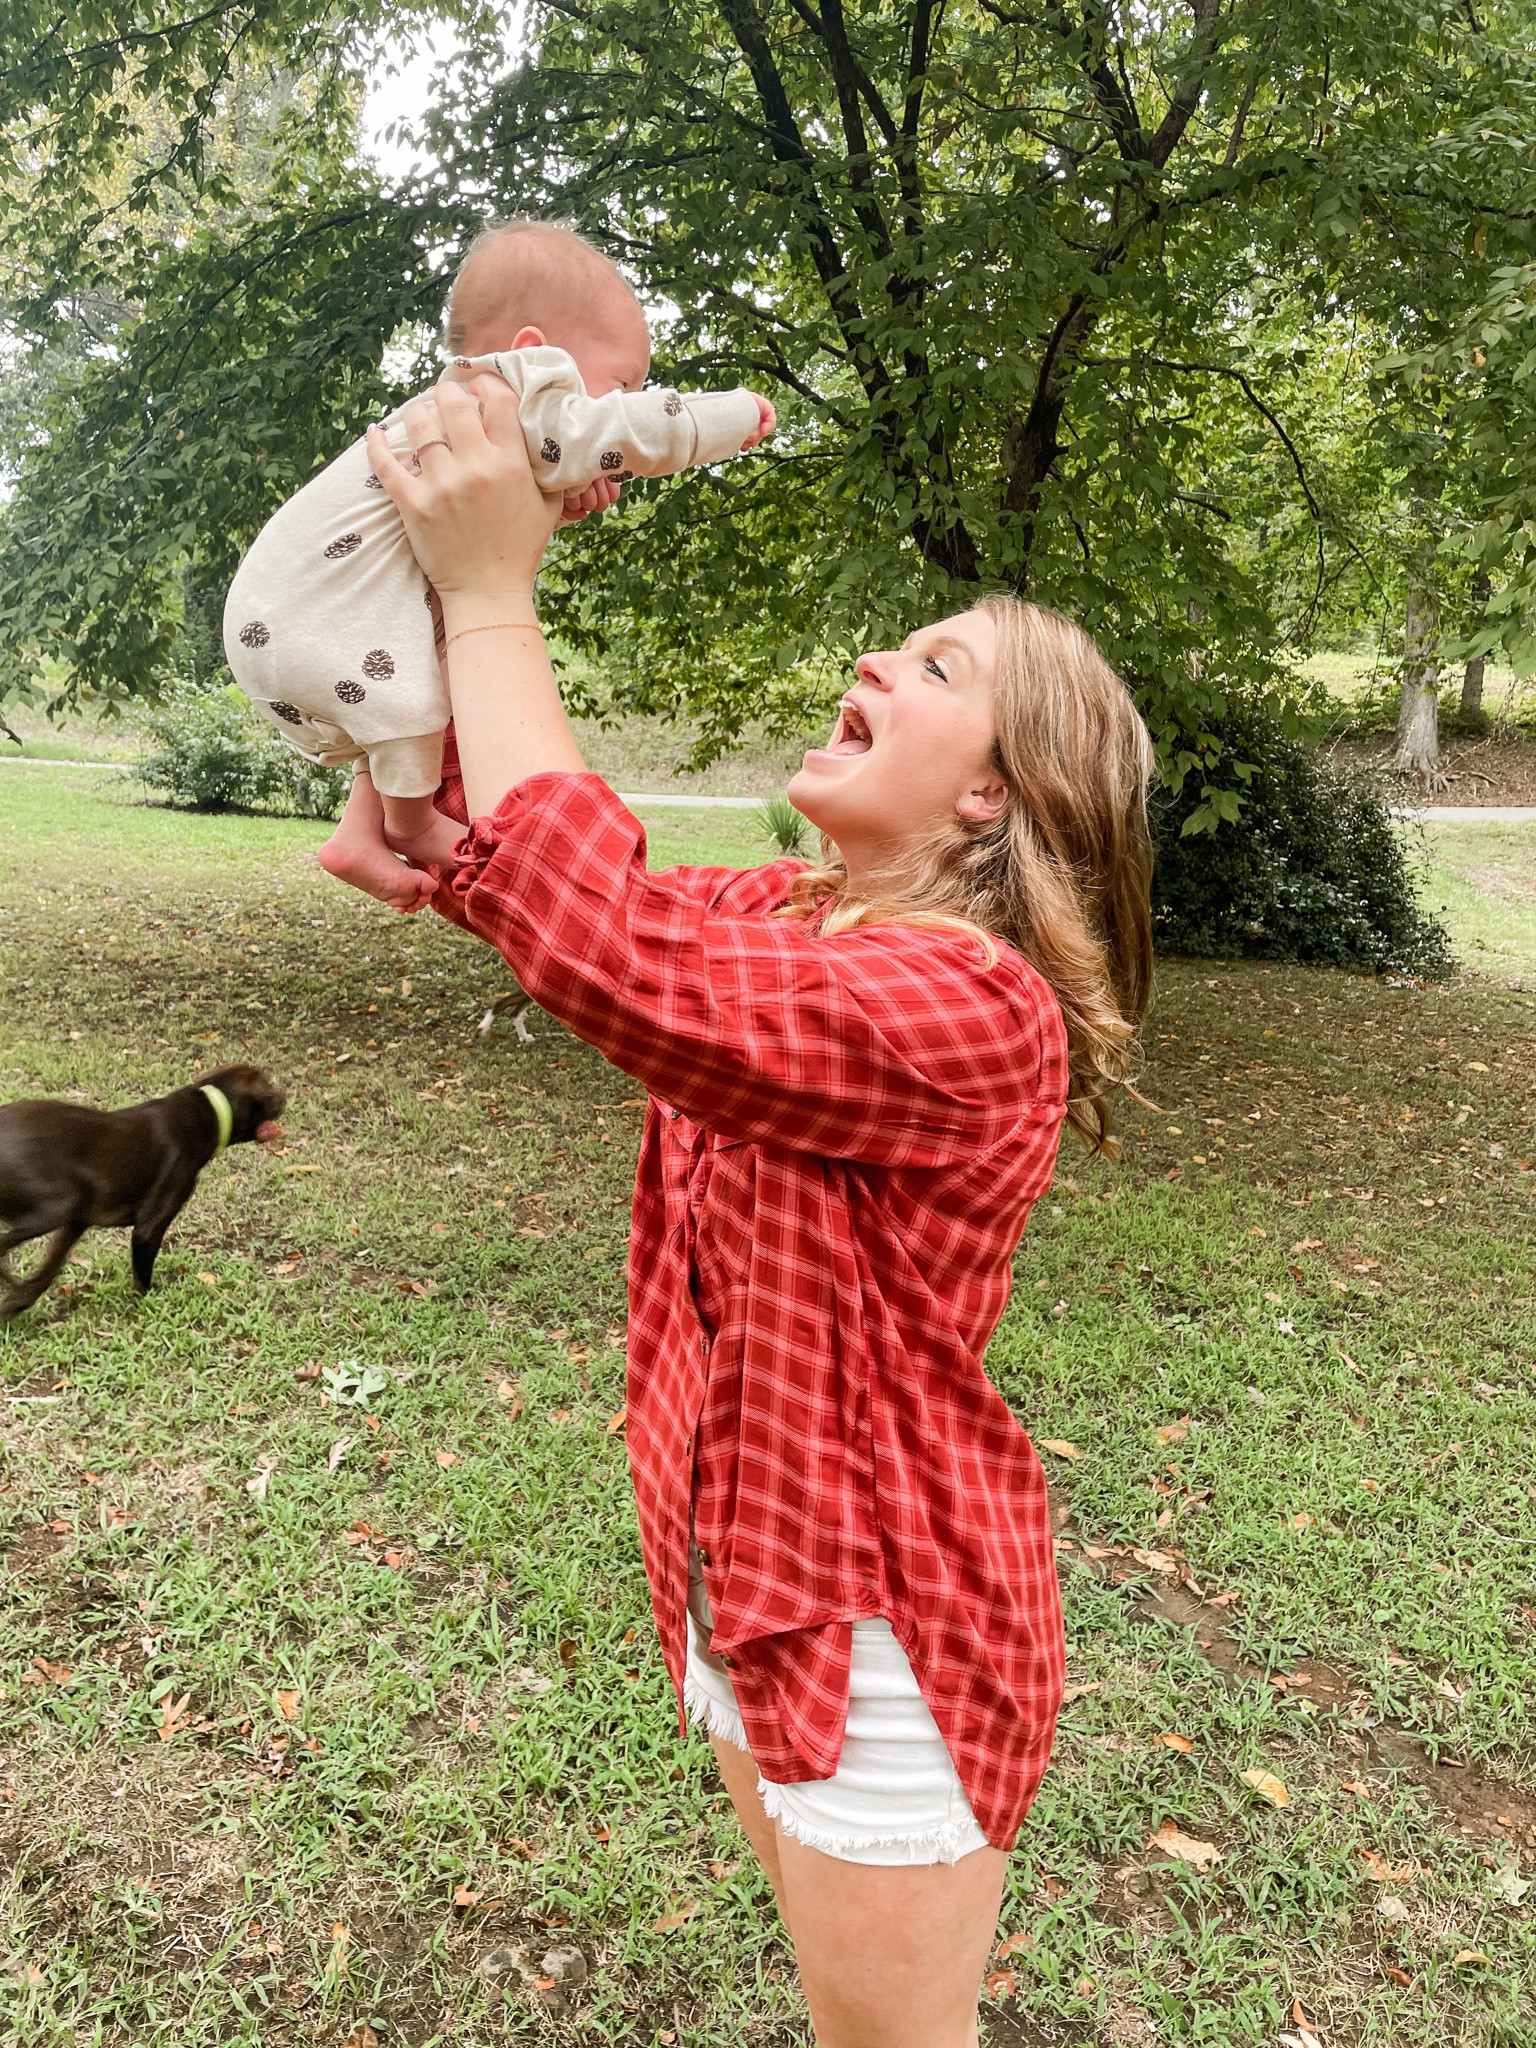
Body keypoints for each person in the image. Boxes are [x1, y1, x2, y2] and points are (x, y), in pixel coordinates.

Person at [365, 375, 1154, 2048]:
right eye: (903, 640)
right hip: (737, 1574)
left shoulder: (975, 1008)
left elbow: (607, 947)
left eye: (937, 668)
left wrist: (497, 594)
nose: (880, 658)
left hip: (884, 1641)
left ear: (991, 799)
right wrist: (440, 834)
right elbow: (605, 909)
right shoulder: (795, 914)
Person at [222, 220, 773, 911]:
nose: (629, 397)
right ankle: (411, 823)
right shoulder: (503, 393)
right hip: (299, 615)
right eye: (625, 381)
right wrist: (725, 417)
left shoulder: (469, 424)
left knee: (435, 666)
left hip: (306, 608)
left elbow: (491, 523)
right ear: (535, 353)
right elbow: (611, 434)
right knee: (414, 699)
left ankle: (359, 834)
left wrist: (560, 497)